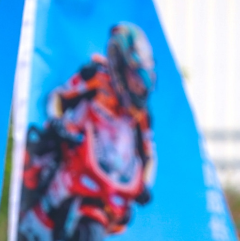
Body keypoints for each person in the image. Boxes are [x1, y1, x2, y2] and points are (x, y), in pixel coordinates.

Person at [23, 21, 156, 210]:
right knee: (37, 155)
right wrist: (57, 121)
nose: (140, 86)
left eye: (144, 79)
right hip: (71, 145)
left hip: (109, 168)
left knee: (124, 212)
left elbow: (148, 154)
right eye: (136, 77)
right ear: (120, 64)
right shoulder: (96, 75)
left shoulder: (142, 115)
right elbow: (59, 97)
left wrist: (145, 185)